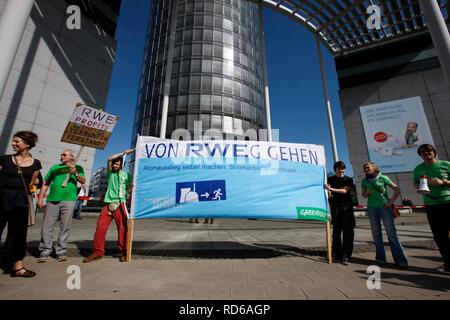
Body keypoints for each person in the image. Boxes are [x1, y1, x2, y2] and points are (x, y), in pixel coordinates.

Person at [0, 131, 41, 277]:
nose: (13, 143)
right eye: (13, 141)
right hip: (2, 198)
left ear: (27, 144)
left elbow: (37, 182)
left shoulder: (36, 163)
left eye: (17, 141)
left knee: (19, 235)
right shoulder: (4, 159)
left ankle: (17, 267)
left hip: (21, 201)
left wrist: (35, 183)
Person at [83, 149, 133, 263]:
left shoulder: (127, 175)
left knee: (123, 229)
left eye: (117, 164)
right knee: (100, 228)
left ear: (121, 165)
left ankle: (123, 252)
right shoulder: (111, 174)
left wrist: (130, 189)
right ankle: (97, 252)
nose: (114, 165)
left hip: (121, 204)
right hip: (108, 204)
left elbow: (129, 189)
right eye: (114, 164)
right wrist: (124, 153)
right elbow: (109, 158)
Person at [37, 149, 86, 262]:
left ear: (72, 157)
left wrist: (75, 173)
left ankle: (61, 251)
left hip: (69, 200)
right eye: (62, 154)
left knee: (65, 227)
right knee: (47, 226)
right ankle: (45, 251)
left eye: (64, 154)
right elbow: (46, 183)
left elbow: (83, 180)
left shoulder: (78, 167)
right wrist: (40, 198)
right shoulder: (54, 168)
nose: (62, 156)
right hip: (52, 200)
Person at [362, 161, 408, 268]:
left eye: (367, 167)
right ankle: (380, 258)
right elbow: (363, 195)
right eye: (364, 168)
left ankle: (400, 260)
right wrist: (366, 194)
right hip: (372, 208)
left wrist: (390, 202)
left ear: (374, 167)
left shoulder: (383, 178)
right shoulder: (364, 180)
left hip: (385, 208)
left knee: (391, 234)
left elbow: (397, 189)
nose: (366, 169)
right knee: (376, 234)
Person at [413, 144, 450, 273]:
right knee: (439, 236)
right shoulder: (418, 169)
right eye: (422, 152)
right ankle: (447, 262)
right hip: (431, 205)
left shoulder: (445, 165)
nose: (425, 153)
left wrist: (443, 182)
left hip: (447, 201)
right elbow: (415, 183)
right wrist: (421, 187)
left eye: (428, 150)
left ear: (434, 152)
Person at [325, 161, 355, 265]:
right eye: (339, 169)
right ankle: (336, 252)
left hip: (347, 208)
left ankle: (346, 255)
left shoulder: (348, 179)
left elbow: (344, 191)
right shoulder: (330, 179)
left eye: (343, 169)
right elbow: (327, 189)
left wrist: (331, 189)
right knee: (336, 231)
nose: (341, 171)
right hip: (335, 207)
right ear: (335, 169)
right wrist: (327, 190)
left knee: (348, 232)